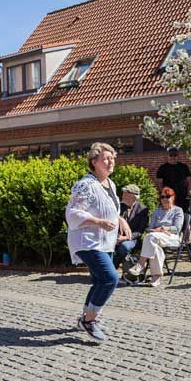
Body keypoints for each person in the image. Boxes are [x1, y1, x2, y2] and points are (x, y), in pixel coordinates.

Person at [66, 142, 131, 341]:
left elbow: (111, 208)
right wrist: (98, 222)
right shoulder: (85, 185)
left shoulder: (110, 184)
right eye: (106, 158)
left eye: (112, 158)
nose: (111, 162)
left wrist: (120, 220)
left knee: (99, 281)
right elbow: (72, 213)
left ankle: (85, 317)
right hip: (87, 242)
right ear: (94, 162)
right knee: (110, 279)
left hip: (105, 242)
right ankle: (89, 321)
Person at [124, 187, 183, 287]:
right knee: (154, 244)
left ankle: (140, 265)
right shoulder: (157, 211)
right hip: (156, 237)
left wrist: (164, 229)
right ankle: (156, 278)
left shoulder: (178, 211)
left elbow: (177, 228)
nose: (164, 199)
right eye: (162, 197)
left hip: (172, 237)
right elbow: (150, 228)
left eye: (167, 196)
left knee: (150, 238)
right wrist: (156, 231)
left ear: (173, 198)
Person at [113, 184, 148, 271]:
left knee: (124, 247)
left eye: (126, 193)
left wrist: (125, 238)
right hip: (116, 237)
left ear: (133, 196)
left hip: (133, 239)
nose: (123, 195)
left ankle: (111, 269)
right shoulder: (119, 207)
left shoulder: (142, 209)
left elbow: (140, 231)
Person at [156, 147, 191, 213]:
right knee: (169, 215)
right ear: (168, 156)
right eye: (171, 155)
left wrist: (189, 193)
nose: (173, 157)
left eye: (175, 155)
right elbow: (159, 183)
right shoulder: (162, 168)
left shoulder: (184, 167)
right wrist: (164, 195)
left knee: (184, 215)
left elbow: (189, 181)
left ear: (178, 156)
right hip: (169, 196)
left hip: (182, 196)